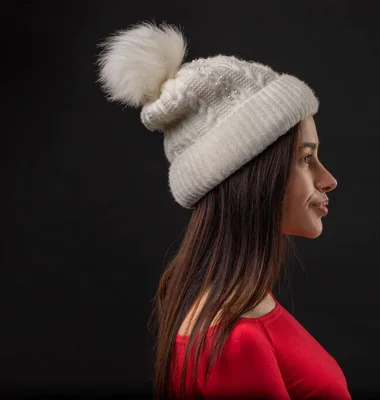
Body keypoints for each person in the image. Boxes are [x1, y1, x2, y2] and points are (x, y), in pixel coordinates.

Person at [97, 22, 347, 400]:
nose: (328, 179)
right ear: (251, 178)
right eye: (305, 158)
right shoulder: (237, 340)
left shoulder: (246, 312)